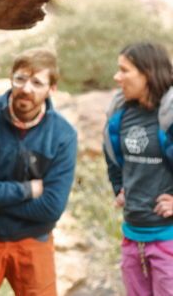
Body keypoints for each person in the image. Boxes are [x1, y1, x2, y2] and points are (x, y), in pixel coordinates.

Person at [0, 48, 77, 296]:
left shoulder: (63, 134)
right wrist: (28, 190)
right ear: (11, 78)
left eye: (37, 82)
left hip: (34, 242)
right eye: (20, 79)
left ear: (51, 89)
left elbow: (52, 206)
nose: (26, 88)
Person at [103, 42, 173, 296]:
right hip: (132, 238)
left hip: (168, 240)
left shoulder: (170, 115)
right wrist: (120, 189)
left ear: (148, 73)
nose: (116, 77)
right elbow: (114, 160)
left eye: (124, 70)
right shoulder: (120, 114)